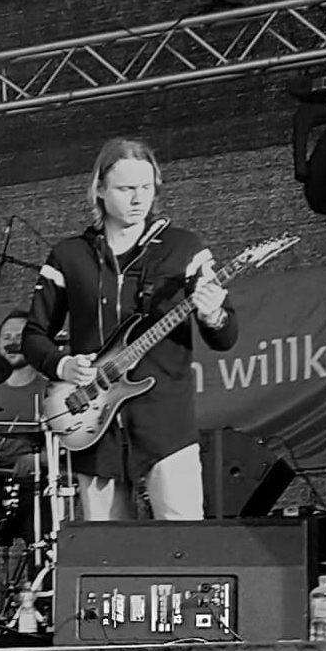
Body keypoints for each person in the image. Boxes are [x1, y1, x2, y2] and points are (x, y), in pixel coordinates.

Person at [22, 137, 237, 521]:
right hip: (92, 425)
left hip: (165, 425)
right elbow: (34, 336)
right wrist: (64, 366)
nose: (139, 199)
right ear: (99, 190)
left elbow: (226, 336)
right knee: (107, 550)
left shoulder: (183, 247)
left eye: (146, 187)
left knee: (183, 542)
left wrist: (212, 315)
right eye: (125, 189)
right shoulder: (69, 256)